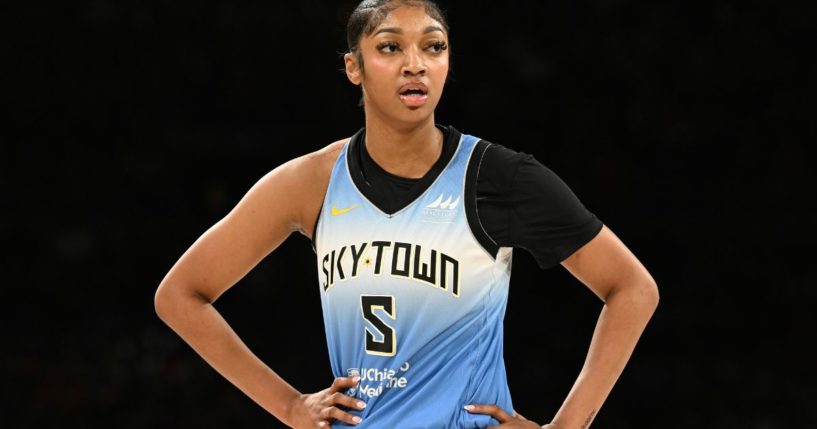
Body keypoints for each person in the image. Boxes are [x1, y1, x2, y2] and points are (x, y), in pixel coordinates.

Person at [154, 1, 659, 427]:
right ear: (354, 67)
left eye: (433, 47)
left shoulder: (497, 177)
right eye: (390, 46)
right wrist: (288, 406)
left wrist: (567, 425)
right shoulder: (310, 183)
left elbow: (632, 289)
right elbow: (180, 295)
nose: (415, 63)